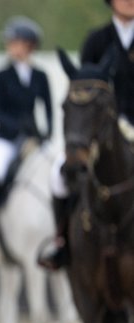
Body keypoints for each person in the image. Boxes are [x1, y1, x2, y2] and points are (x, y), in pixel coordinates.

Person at [40, 0, 134, 269]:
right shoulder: (96, 40)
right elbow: (83, 88)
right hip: (101, 129)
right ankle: (62, 242)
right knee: (58, 175)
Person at [0, 16, 52, 243]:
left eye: (15, 42)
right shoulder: (1, 76)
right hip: (6, 138)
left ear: (29, 45)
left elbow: (48, 108)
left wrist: (47, 133)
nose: (10, 46)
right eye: (10, 42)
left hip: (33, 139)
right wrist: (19, 129)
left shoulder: (40, 76)